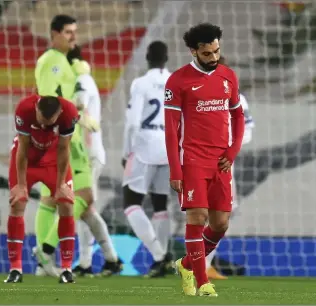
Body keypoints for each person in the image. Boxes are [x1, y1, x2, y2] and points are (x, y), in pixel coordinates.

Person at [32, 15, 121, 279]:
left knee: (53, 199)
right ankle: (46, 251)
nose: (73, 36)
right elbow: (49, 103)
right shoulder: (52, 61)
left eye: (75, 32)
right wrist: (79, 116)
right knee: (82, 197)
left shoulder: (64, 64)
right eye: (68, 32)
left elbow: (65, 99)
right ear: (55, 33)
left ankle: (44, 263)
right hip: (63, 140)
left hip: (73, 140)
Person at [164, 23, 245, 297]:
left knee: (221, 223)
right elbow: (171, 129)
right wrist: (176, 169)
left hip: (221, 161)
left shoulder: (228, 77)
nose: (213, 58)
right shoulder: (178, 81)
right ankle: (203, 282)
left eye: (217, 51)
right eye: (207, 53)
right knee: (197, 217)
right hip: (193, 160)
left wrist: (232, 152)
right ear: (193, 51)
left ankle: (187, 265)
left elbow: (238, 116)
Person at [5, 95, 79, 283]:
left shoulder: (70, 113)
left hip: (53, 160)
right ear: (36, 108)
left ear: (59, 114)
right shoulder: (23, 109)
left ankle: (66, 269)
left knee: (67, 204)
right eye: (41, 120)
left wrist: (61, 184)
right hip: (27, 159)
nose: (45, 125)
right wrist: (21, 185)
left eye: (50, 122)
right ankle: (15, 269)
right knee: (17, 203)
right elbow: (22, 147)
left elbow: (64, 149)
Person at [66, 46, 121, 277]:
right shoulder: (82, 77)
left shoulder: (82, 79)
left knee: (81, 206)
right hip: (82, 153)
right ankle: (103, 261)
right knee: (85, 210)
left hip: (87, 153)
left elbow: (79, 103)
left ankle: (100, 260)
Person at [121, 41, 173, 277]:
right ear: (167, 58)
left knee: (131, 203)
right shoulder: (177, 82)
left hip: (144, 146)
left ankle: (160, 255)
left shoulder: (140, 83)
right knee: (161, 204)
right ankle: (162, 260)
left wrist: (125, 152)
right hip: (169, 146)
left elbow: (132, 123)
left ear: (147, 58)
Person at [202, 55, 255, 280]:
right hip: (200, 159)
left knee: (223, 214)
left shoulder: (238, 99)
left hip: (224, 162)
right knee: (200, 211)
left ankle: (201, 262)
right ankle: (199, 265)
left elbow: (249, 129)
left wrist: (231, 146)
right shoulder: (197, 96)